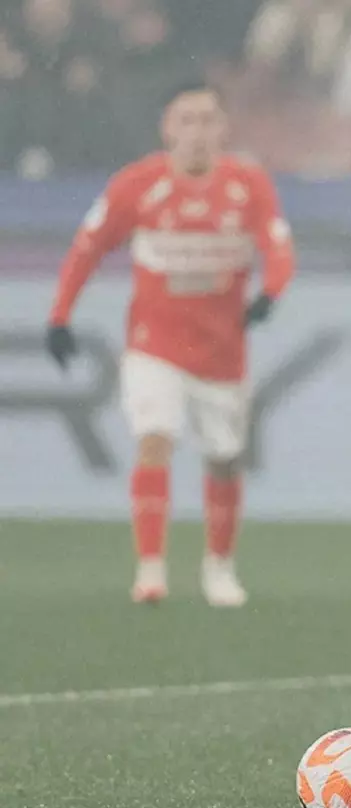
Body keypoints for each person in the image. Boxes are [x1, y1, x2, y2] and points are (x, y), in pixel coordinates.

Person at [46, 82, 295, 608]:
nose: (197, 132)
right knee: (154, 438)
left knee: (224, 459)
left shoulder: (248, 184)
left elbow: (278, 246)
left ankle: (219, 567)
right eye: (187, 120)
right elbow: (87, 247)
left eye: (207, 120)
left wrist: (271, 293)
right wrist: (60, 316)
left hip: (222, 352)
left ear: (223, 128)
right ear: (167, 128)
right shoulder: (137, 184)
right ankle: (151, 569)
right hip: (153, 345)